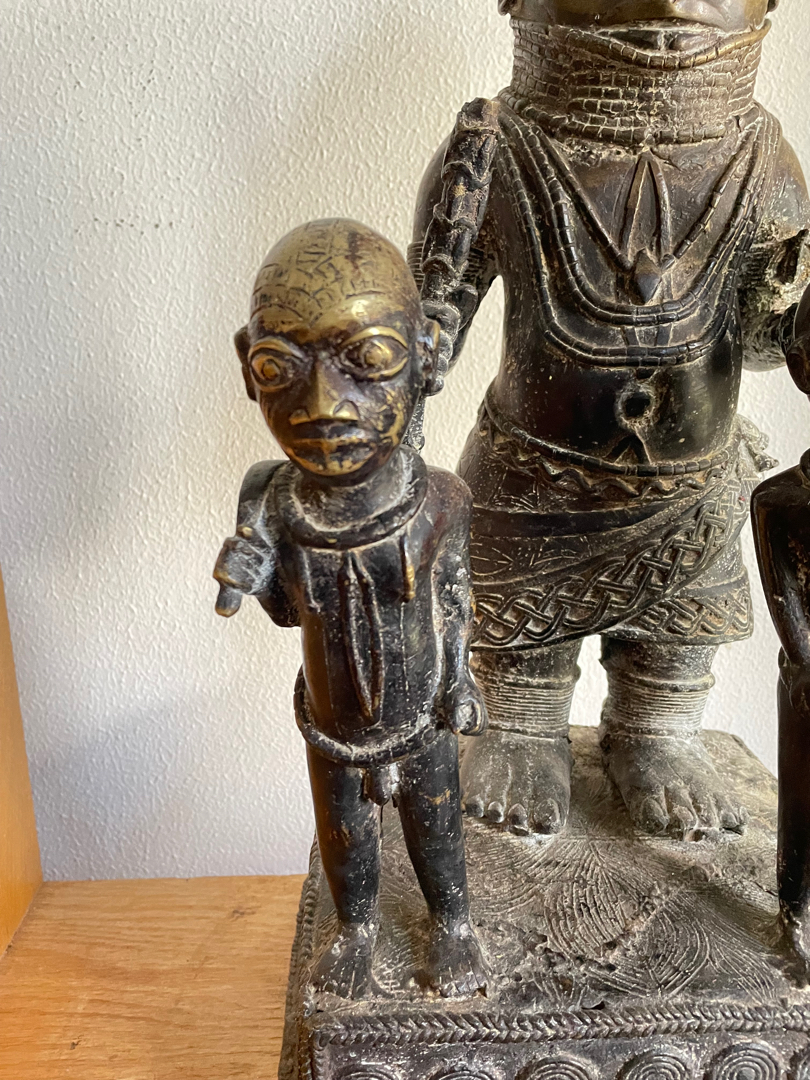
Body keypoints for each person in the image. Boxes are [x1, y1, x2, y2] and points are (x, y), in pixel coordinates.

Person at [410, 0, 810, 840]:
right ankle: (523, 726)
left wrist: (790, 301)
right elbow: (431, 326)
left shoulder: (761, 155)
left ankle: (656, 732)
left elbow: (766, 342)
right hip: (532, 472)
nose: (666, 10)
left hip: (691, 483)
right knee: (522, 639)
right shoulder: (494, 150)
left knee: (675, 641)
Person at [213, 219, 488, 999]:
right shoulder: (271, 500)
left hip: (422, 711)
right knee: (343, 833)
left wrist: (460, 678)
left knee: (437, 824)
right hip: (330, 720)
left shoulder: (438, 501)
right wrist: (254, 576)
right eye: (281, 366)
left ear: (427, 354)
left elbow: (456, 597)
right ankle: (356, 928)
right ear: (248, 365)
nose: (324, 403)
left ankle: (453, 923)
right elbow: (284, 613)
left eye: (368, 360)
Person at [752, 287, 810, 977]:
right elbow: (785, 602)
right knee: (802, 807)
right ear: (799, 365)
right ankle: (796, 907)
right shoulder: (781, 499)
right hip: (807, 689)